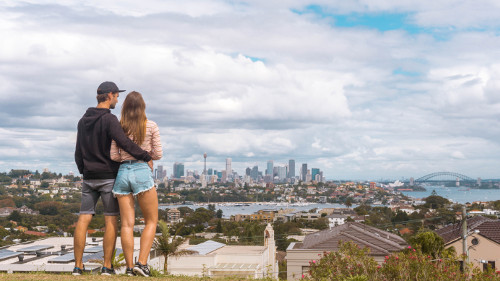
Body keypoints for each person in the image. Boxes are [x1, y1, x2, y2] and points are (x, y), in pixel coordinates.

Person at [74, 82, 153, 276]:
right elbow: (123, 142)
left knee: (83, 219)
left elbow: (78, 152)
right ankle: (107, 267)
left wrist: (84, 170)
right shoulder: (109, 119)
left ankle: (77, 266)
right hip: (108, 176)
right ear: (110, 95)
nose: (117, 100)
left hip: (88, 177)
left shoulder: (83, 120)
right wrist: (145, 156)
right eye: (117, 96)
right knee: (111, 221)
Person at [110, 91, 162, 277]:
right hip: (141, 171)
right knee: (151, 221)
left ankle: (130, 268)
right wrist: (146, 155)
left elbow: (114, 156)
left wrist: (126, 156)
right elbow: (158, 153)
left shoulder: (120, 127)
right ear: (143, 107)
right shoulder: (151, 126)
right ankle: (142, 263)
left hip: (123, 173)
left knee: (126, 225)